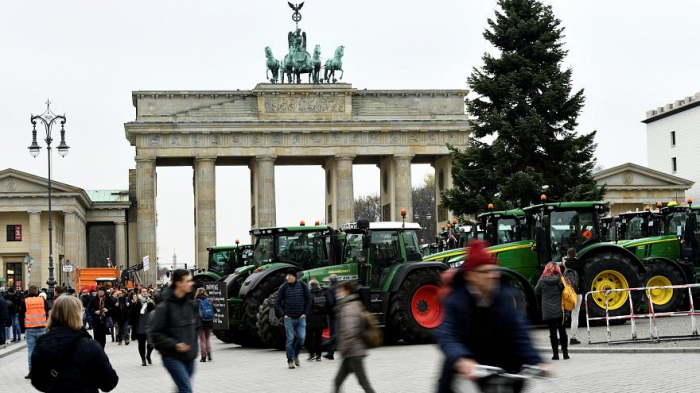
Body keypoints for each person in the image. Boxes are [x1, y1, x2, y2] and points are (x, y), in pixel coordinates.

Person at [437, 240, 545, 393]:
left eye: (493, 271)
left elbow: (518, 331)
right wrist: (462, 360)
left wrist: (536, 360)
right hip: (468, 368)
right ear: (470, 275)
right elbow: (448, 334)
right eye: (485, 272)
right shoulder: (456, 299)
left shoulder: (504, 296)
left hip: (501, 367)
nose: (491, 276)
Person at [30, 295, 119, 392]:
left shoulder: (42, 345)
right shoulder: (90, 346)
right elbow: (109, 382)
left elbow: (38, 381)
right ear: (77, 315)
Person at [148, 269, 199, 393]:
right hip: (172, 356)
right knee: (186, 388)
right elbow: (154, 334)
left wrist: (193, 346)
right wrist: (175, 345)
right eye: (188, 281)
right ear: (178, 283)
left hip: (189, 356)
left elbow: (196, 327)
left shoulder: (190, 304)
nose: (192, 284)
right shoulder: (164, 307)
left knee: (181, 387)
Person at [333, 280, 375, 393]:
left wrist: (343, 348)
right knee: (337, 382)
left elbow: (350, 332)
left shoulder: (348, 308)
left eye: (340, 290)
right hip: (351, 353)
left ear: (347, 291)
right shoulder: (354, 304)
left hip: (353, 353)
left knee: (364, 383)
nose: (338, 292)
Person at [275, 269, 311, 369]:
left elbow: (309, 300)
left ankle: (296, 354)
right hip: (289, 318)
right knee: (290, 339)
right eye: (287, 276)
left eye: (290, 276)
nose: (288, 277)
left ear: (295, 277)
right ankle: (290, 361)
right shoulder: (283, 287)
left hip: (301, 318)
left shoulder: (302, 285)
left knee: (301, 338)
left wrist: (305, 313)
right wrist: (283, 315)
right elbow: (277, 303)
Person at [535, 261, 568, 360]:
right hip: (560, 310)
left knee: (552, 333)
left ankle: (555, 355)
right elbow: (566, 291)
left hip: (548, 311)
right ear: (557, 269)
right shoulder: (560, 279)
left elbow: (536, 291)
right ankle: (565, 354)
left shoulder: (542, 280)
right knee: (562, 331)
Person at [20, 285, 50, 379]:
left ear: (29, 292)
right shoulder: (42, 300)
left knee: (31, 351)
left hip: (30, 329)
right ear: (37, 292)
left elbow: (21, 316)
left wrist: (22, 329)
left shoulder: (25, 301)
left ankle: (32, 372)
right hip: (42, 328)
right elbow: (47, 313)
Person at [562, 248, 584, 345]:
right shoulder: (580, 264)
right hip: (577, 292)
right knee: (575, 316)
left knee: (562, 315)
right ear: (576, 254)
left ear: (568, 255)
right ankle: (573, 338)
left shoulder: (565, 264)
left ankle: (561, 337)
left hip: (567, 293)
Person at [130, 289, 155, 366]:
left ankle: (148, 355)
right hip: (140, 326)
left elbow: (154, 311)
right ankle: (143, 359)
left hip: (150, 325)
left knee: (151, 343)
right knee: (141, 343)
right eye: (143, 292)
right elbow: (132, 314)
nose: (144, 293)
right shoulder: (136, 302)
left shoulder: (151, 301)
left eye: (145, 291)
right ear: (140, 293)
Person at [306, 279, 328, 361]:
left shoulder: (308, 294)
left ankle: (311, 355)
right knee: (318, 338)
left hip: (310, 320)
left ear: (310, 286)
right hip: (321, 320)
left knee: (309, 338)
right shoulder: (323, 293)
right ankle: (318, 356)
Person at [194, 287, 216, 362]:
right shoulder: (209, 300)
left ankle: (203, 356)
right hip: (209, 322)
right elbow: (215, 311)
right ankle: (209, 355)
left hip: (201, 323)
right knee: (207, 339)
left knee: (202, 340)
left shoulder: (196, 301)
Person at [324, 274, 339, 360]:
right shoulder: (341, 288)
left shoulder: (330, 289)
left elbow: (330, 302)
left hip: (334, 314)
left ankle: (330, 353)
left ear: (330, 280)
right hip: (342, 312)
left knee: (333, 333)